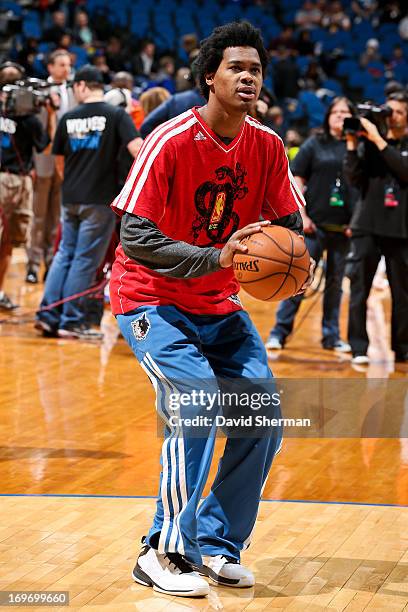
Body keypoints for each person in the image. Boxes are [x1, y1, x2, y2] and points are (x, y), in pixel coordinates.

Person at [109, 21, 311, 597]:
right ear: (209, 78)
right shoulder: (170, 138)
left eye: (256, 70)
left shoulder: (268, 145)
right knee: (196, 401)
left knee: (261, 416)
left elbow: (288, 223)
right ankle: (163, 548)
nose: (249, 77)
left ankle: (216, 543)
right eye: (236, 68)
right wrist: (217, 255)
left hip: (218, 305)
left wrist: (292, 259)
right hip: (150, 298)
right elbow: (135, 236)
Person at [35, 65, 142, 339]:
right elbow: (138, 150)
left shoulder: (68, 117)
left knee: (63, 255)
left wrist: (70, 182)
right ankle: (71, 321)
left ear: (82, 85)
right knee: (83, 260)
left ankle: (48, 315)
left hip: (70, 197)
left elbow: (58, 157)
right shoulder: (117, 115)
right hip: (99, 199)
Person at [266, 97, 355, 352]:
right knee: (297, 280)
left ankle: (332, 337)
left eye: (345, 112)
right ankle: (279, 333)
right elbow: (297, 179)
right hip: (312, 225)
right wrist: (301, 215)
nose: (340, 116)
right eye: (335, 112)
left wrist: (356, 222)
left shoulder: (358, 147)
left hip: (344, 227)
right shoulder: (315, 143)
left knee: (336, 286)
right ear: (327, 116)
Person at [344, 91, 408, 364]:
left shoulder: (386, 143)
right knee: (360, 288)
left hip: (400, 228)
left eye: (397, 112)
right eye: (387, 110)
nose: (389, 116)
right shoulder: (368, 144)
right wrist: (351, 145)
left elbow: (404, 171)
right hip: (367, 224)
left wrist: (379, 140)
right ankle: (358, 346)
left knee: (403, 294)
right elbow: (353, 178)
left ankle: (403, 348)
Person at [0, 61, 52, 310]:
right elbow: (46, 146)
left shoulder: (28, 117)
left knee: (9, 240)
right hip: (11, 179)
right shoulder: (30, 117)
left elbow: (43, 145)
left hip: (20, 180)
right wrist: (49, 114)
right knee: (7, 241)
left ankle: (0, 291)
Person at [26, 50, 76, 284]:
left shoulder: (74, 92)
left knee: (56, 217)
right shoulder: (38, 93)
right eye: (62, 65)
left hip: (65, 163)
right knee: (38, 217)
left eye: (68, 65)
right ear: (50, 68)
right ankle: (33, 265)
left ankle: (50, 263)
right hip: (43, 161)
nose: (66, 69)